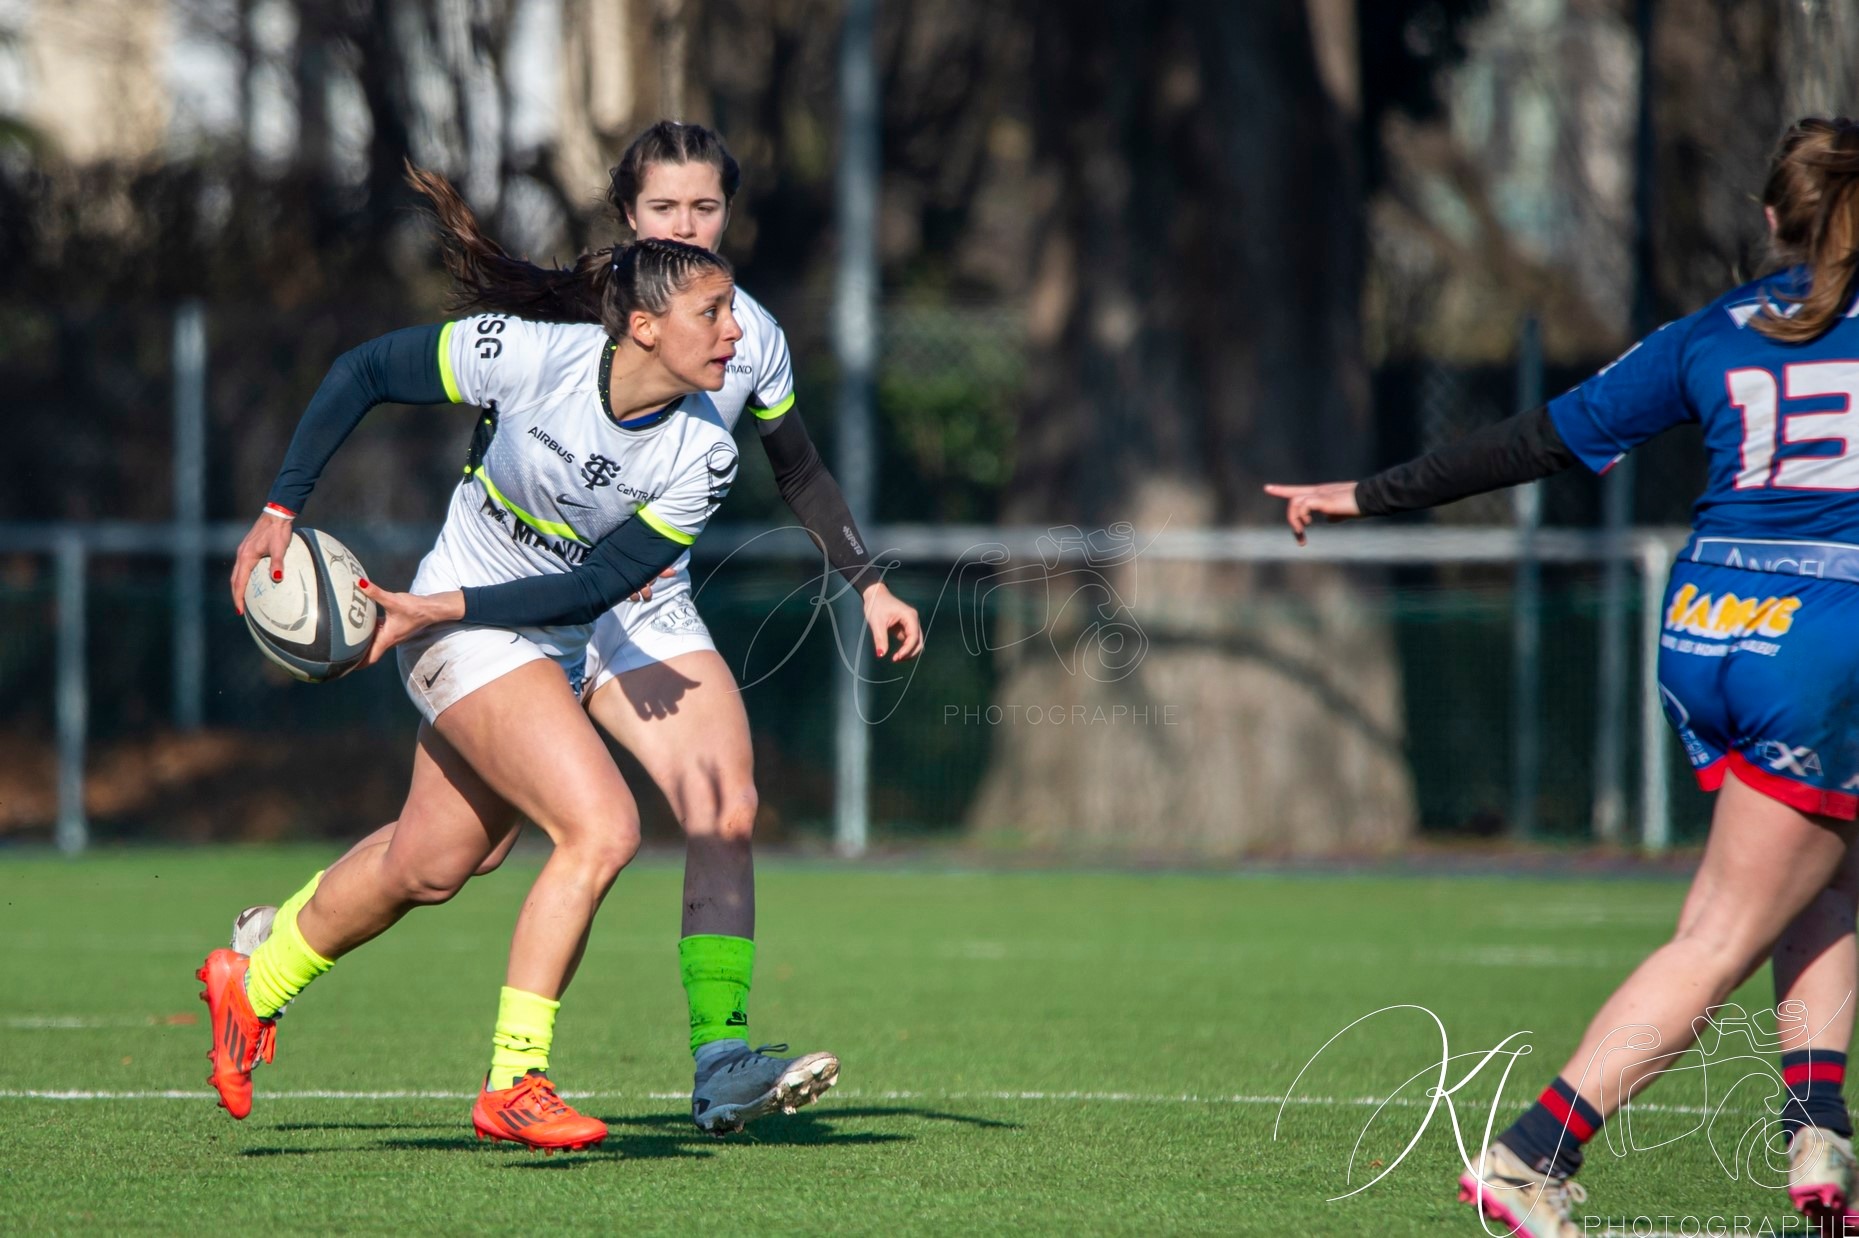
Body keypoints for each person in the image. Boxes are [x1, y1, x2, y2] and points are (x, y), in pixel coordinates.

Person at [232, 121, 924, 1135]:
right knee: (471, 855)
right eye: (665, 208)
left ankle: (721, 1058)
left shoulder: (738, 351)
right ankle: (304, 986)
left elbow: (776, 483)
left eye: (705, 208)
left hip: (629, 603)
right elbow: (370, 372)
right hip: (496, 606)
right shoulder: (553, 340)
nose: (686, 225)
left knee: (713, 803)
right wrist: (283, 506)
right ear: (629, 223)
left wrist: (866, 581)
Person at [1265, 117, 1859, 1236]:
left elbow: (1536, 438)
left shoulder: (1710, 331)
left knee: (1822, 871)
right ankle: (1531, 1154)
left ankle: (1817, 1130)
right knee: (1718, 934)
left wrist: (1368, 493)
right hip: (1829, 633)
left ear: (1772, 217)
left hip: (1707, 618)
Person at [199, 236, 751, 1153]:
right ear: (645, 326)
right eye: (714, 312)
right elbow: (364, 370)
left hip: (502, 629)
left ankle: (253, 980)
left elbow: (594, 587)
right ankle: (514, 1079)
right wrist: (281, 508)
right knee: (603, 828)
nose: (735, 331)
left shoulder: (704, 453)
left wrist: (437, 606)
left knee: (433, 863)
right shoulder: (531, 356)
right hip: (458, 639)